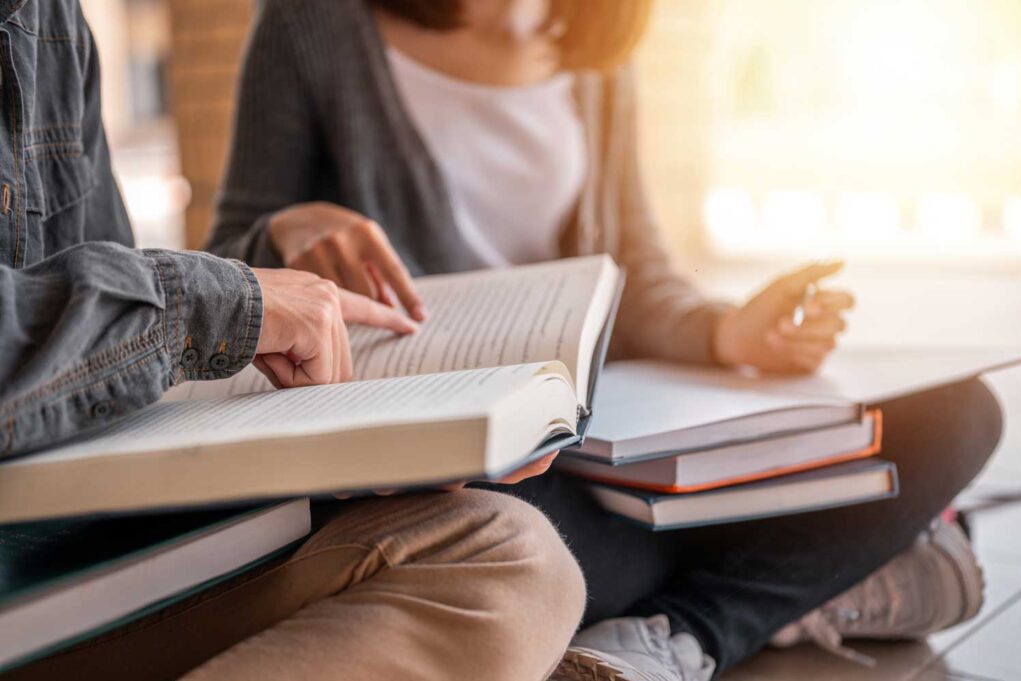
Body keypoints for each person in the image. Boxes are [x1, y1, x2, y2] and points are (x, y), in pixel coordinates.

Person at [206, 0, 1005, 679]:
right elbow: (225, 264)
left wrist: (728, 330)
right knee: (529, 546)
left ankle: (681, 629)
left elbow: (640, 270)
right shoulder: (313, 24)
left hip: (609, 428)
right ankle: (783, 592)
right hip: (461, 467)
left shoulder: (591, 38)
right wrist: (287, 229)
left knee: (960, 416)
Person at [0, 2, 586, 680]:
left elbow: (106, 340)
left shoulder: (52, 19)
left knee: (517, 554)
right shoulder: (314, 24)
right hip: (42, 583)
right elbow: (155, 308)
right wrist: (221, 297)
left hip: (83, 551)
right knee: (549, 544)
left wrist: (262, 267)